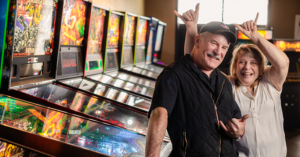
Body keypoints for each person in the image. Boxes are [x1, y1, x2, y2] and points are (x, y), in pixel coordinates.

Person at [181, 4, 288, 157]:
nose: (247, 68)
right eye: (242, 62)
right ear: (235, 65)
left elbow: (283, 63)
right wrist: (191, 27)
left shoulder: (270, 83)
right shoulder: (226, 84)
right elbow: (196, 66)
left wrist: (255, 37)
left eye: (253, 63)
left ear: (260, 67)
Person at [145, 3, 250, 157]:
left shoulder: (223, 81)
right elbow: (158, 115)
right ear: (198, 41)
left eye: (224, 47)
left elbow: (236, 120)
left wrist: (239, 131)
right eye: (214, 43)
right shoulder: (174, 74)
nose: (218, 52)